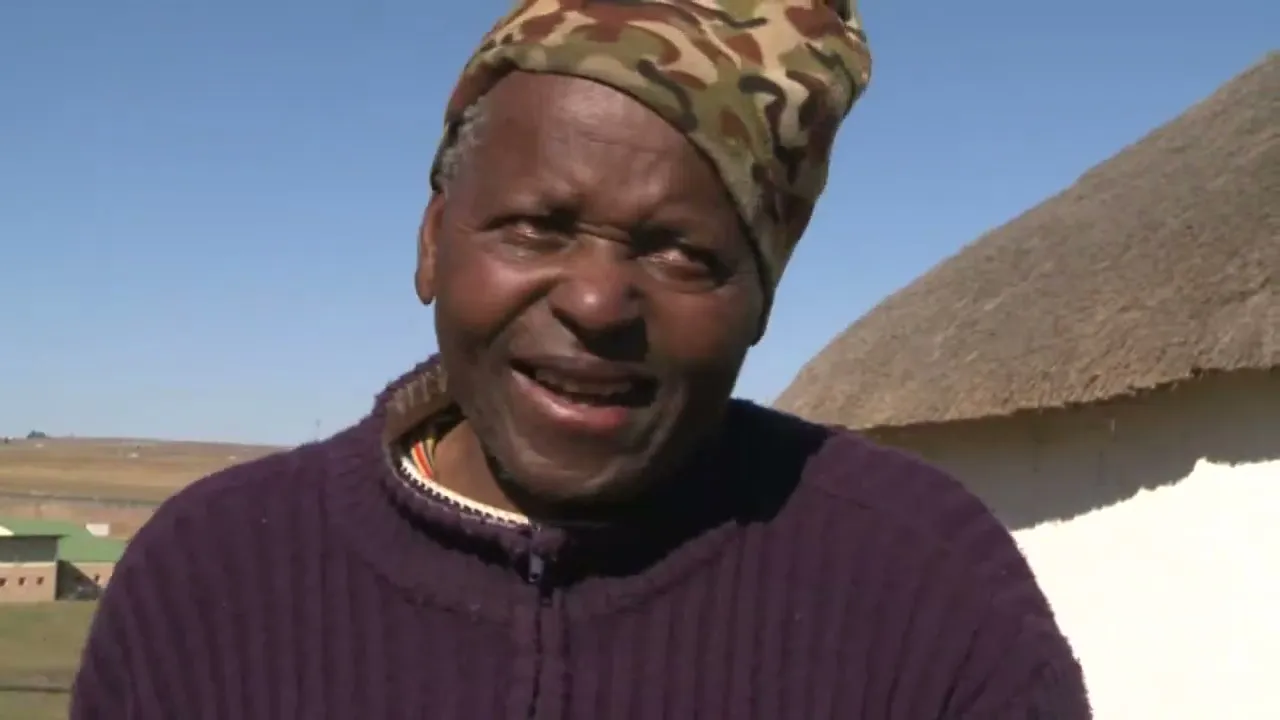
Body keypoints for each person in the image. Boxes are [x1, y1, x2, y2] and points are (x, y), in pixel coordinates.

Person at [71, 2, 1090, 718]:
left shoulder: (921, 588)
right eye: (535, 227)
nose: (597, 304)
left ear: (759, 298)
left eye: (681, 253)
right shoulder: (211, 578)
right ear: (433, 243)